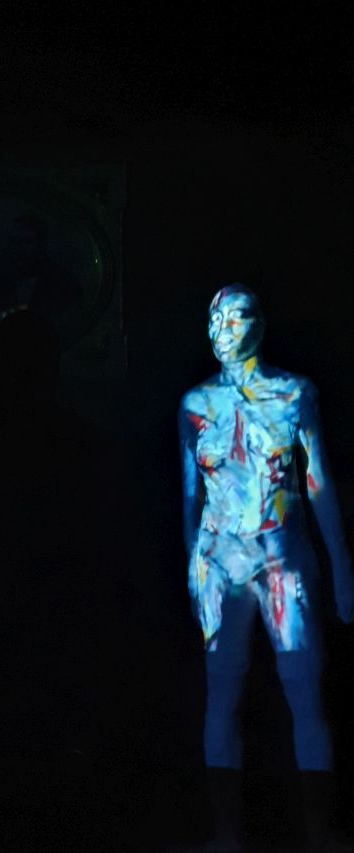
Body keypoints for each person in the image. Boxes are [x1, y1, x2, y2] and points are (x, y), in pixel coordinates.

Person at [179, 283, 354, 848]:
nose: (223, 330)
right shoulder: (196, 404)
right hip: (219, 563)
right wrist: (191, 570)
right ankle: (227, 836)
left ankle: (319, 832)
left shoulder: (296, 393)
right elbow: (191, 497)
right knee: (222, 691)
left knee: (303, 686)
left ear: (259, 324)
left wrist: (341, 565)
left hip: (283, 557)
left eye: (236, 318)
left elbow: (318, 481)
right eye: (216, 319)